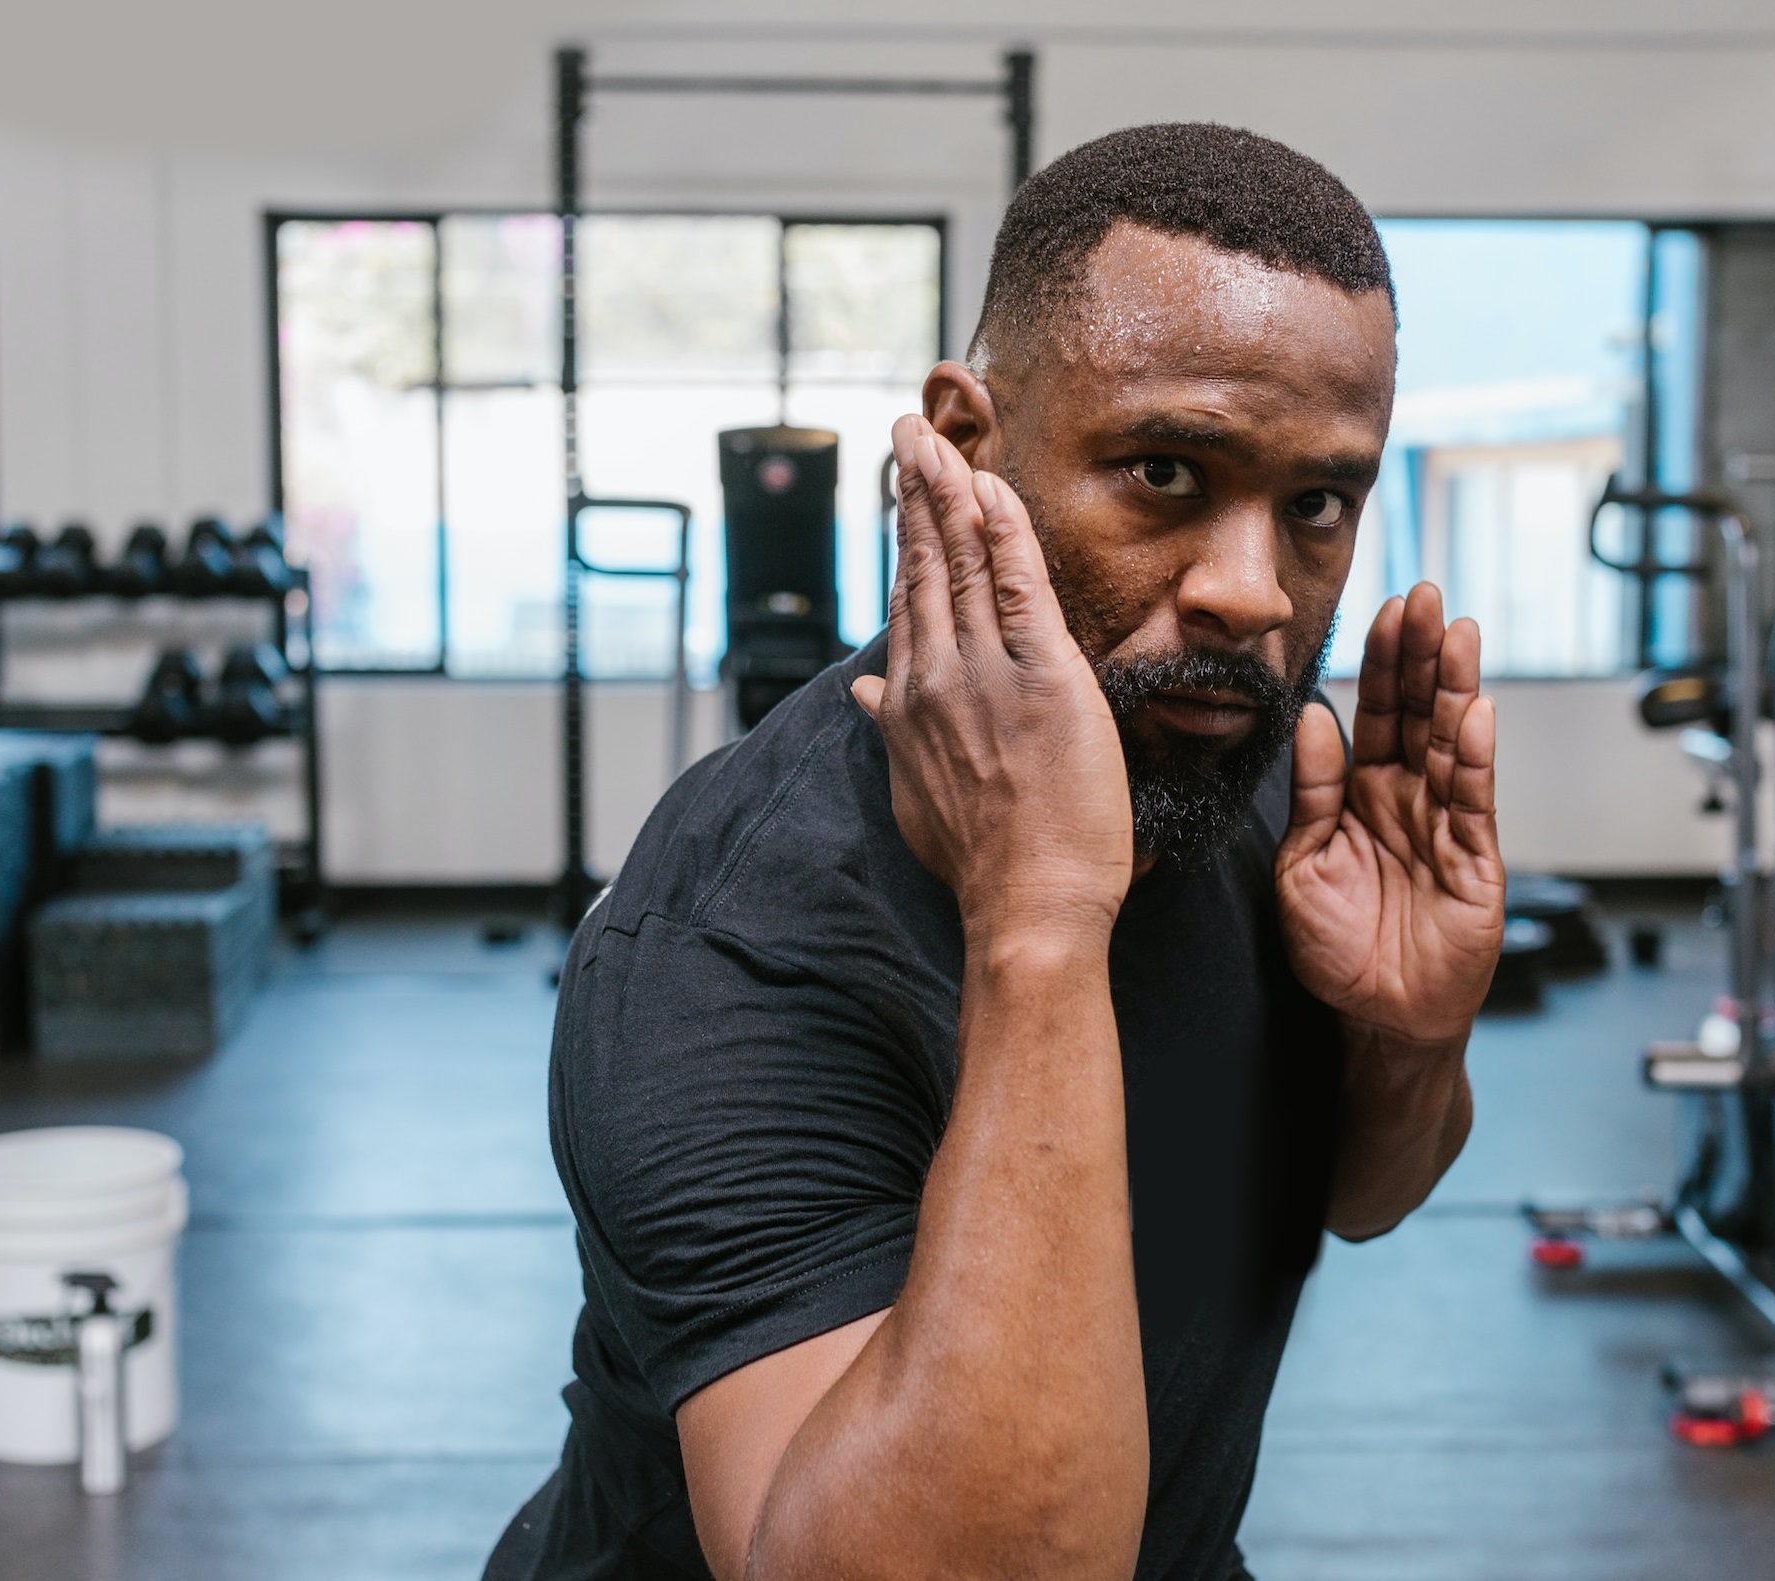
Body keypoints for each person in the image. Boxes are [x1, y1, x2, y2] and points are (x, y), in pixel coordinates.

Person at [487, 121, 1504, 1581]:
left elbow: (1360, 1188)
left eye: (1316, 504)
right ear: (967, 447)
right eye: (1164, 470)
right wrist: (1039, 924)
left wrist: (1409, 1034)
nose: (1250, 589)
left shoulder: (1247, 765)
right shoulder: (734, 948)